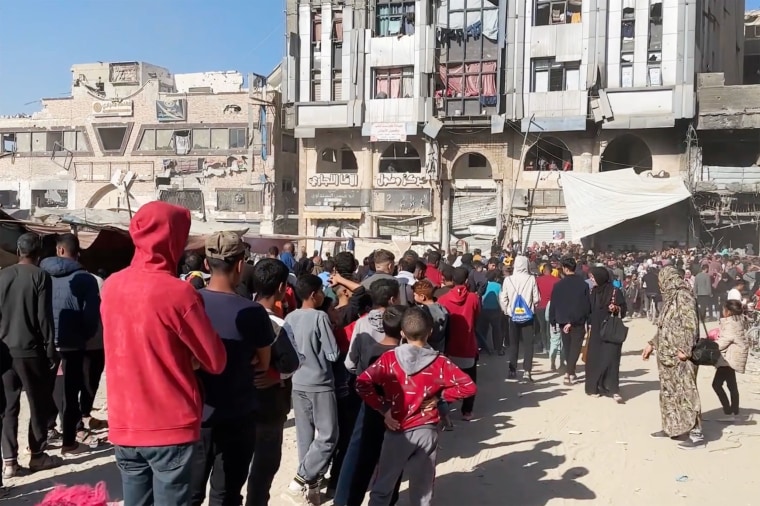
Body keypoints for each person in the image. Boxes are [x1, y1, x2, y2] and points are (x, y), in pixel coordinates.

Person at [101, 202, 227, 505]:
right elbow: (216, 360)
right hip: (169, 425)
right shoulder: (178, 293)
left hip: (125, 423)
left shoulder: (111, 286)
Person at [356, 307, 477, 506]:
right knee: (422, 492)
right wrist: (441, 397)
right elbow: (468, 386)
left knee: (382, 488)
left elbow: (362, 382)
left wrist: (383, 410)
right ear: (430, 332)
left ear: (402, 333)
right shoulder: (440, 362)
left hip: (396, 430)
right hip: (426, 430)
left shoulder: (388, 359)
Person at [189, 232, 275, 506]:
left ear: (206, 264)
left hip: (195, 417)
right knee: (226, 495)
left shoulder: (190, 303)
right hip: (238, 416)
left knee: (188, 494)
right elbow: (262, 364)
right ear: (240, 264)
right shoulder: (253, 312)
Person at [0, 233, 61, 477]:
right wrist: (50, 349)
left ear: (18, 251)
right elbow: (43, 318)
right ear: (39, 255)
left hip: (4, 352)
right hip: (30, 351)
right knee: (38, 403)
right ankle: (37, 455)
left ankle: (9, 462)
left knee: (7, 407)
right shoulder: (40, 276)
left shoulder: (2, 275)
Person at [40, 233, 101, 455]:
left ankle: (37, 447)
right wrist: (85, 336)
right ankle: (69, 442)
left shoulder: (41, 274)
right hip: (73, 345)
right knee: (71, 393)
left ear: (60, 250)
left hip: (46, 343)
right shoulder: (86, 279)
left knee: (43, 393)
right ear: (76, 252)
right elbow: (91, 316)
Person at [249, 258, 302, 506]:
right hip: (269, 407)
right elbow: (293, 362)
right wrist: (275, 376)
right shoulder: (279, 325)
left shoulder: (239, 313)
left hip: (237, 404)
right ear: (282, 288)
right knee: (264, 467)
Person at [284, 274, 340, 505]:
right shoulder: (320, 317)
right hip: (320, 383)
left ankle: (311, 487)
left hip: (298, 382)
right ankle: (300, 481)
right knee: (328, 436)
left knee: (305, 436)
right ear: (314, 294)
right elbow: (333, 353)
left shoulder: (290, 317)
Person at [346, 306, 406, 506]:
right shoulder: (401, 356)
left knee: (364, 462)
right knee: (393, 467)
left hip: (372, 413)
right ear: (403, 331)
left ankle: (353, 501)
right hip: (396, 419)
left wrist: (379, 408)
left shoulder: (370, 349)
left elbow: (361, 383)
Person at [642, 266, 704, 450]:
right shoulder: (670, 298)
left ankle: (696, 433)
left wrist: (685, 349)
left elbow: (690, 324)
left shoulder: (683, 296)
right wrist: (651, 343)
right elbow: (665, 326)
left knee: (687, 392)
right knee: (669, 393)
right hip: (667, 357)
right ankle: (673, 427)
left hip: (681, 357)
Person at [438, 267, 480, 420]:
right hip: (468, 345)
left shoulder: (442, 300)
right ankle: (467, 411)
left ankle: (445, 410)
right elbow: (476, 317)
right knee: (470, 380)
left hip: (449, 347)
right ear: (467, 280)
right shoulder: (473, 298)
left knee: (448, 381)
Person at [584, 267, 627, 403]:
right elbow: (588, 311)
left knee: (611, 359)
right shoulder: (593, 292)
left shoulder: (615, 291)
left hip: (610, 330)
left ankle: (613, 389)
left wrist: (616, 308)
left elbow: (624, 309)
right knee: (594, 359)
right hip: (596, 331)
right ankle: (593, 387)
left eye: (593, 278)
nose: (591, 280)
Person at [549, 257, 591, 386]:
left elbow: (553, 304)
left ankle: (569, 372)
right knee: (575, 347)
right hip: (578, 320)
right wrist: (588, 320)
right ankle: (570, 372)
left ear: (565, 269)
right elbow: (586, 305)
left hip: (562, 320)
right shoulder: (583, 285)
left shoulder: (558, 285)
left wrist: (553, 320)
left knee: (567, 347)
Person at [499, 256, 540, 381]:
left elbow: (503, 298)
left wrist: (507, 311)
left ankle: (512, 370)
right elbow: (537, 298)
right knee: (528, 344)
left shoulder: (508, 280)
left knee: (513, 344)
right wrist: (532, 306)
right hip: (528, 316)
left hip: (513, 316)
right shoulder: (531, 279)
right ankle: (527, 371)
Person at [712, 300, 748, 419]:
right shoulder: (737, 321)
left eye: (723, 309)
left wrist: (710, 346)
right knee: (731, 385)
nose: (722, 311)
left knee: (716, 385)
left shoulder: (730, 324)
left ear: (728, 312)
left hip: (728, 359)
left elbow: (723, 343)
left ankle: (728, 411)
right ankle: (734, 410)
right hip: (732, 357)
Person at [477, 269, 504, 355]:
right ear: (496, 278)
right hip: (495, 310)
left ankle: (482, 348)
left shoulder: (484, 285)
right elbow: (500, 299)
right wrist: (503, 310)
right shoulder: (498, 286)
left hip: (483, 310)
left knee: (483, 330)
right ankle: (499, 349)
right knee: (497, 330)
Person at [535, 263, 560, 354]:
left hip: (540, 306)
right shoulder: (558, 280)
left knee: (542, 327)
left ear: (543, 271)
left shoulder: (538, 280)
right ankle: (552, 345)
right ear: (552, 271)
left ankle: (545, 347)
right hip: (553, 306)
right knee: (552, 326)